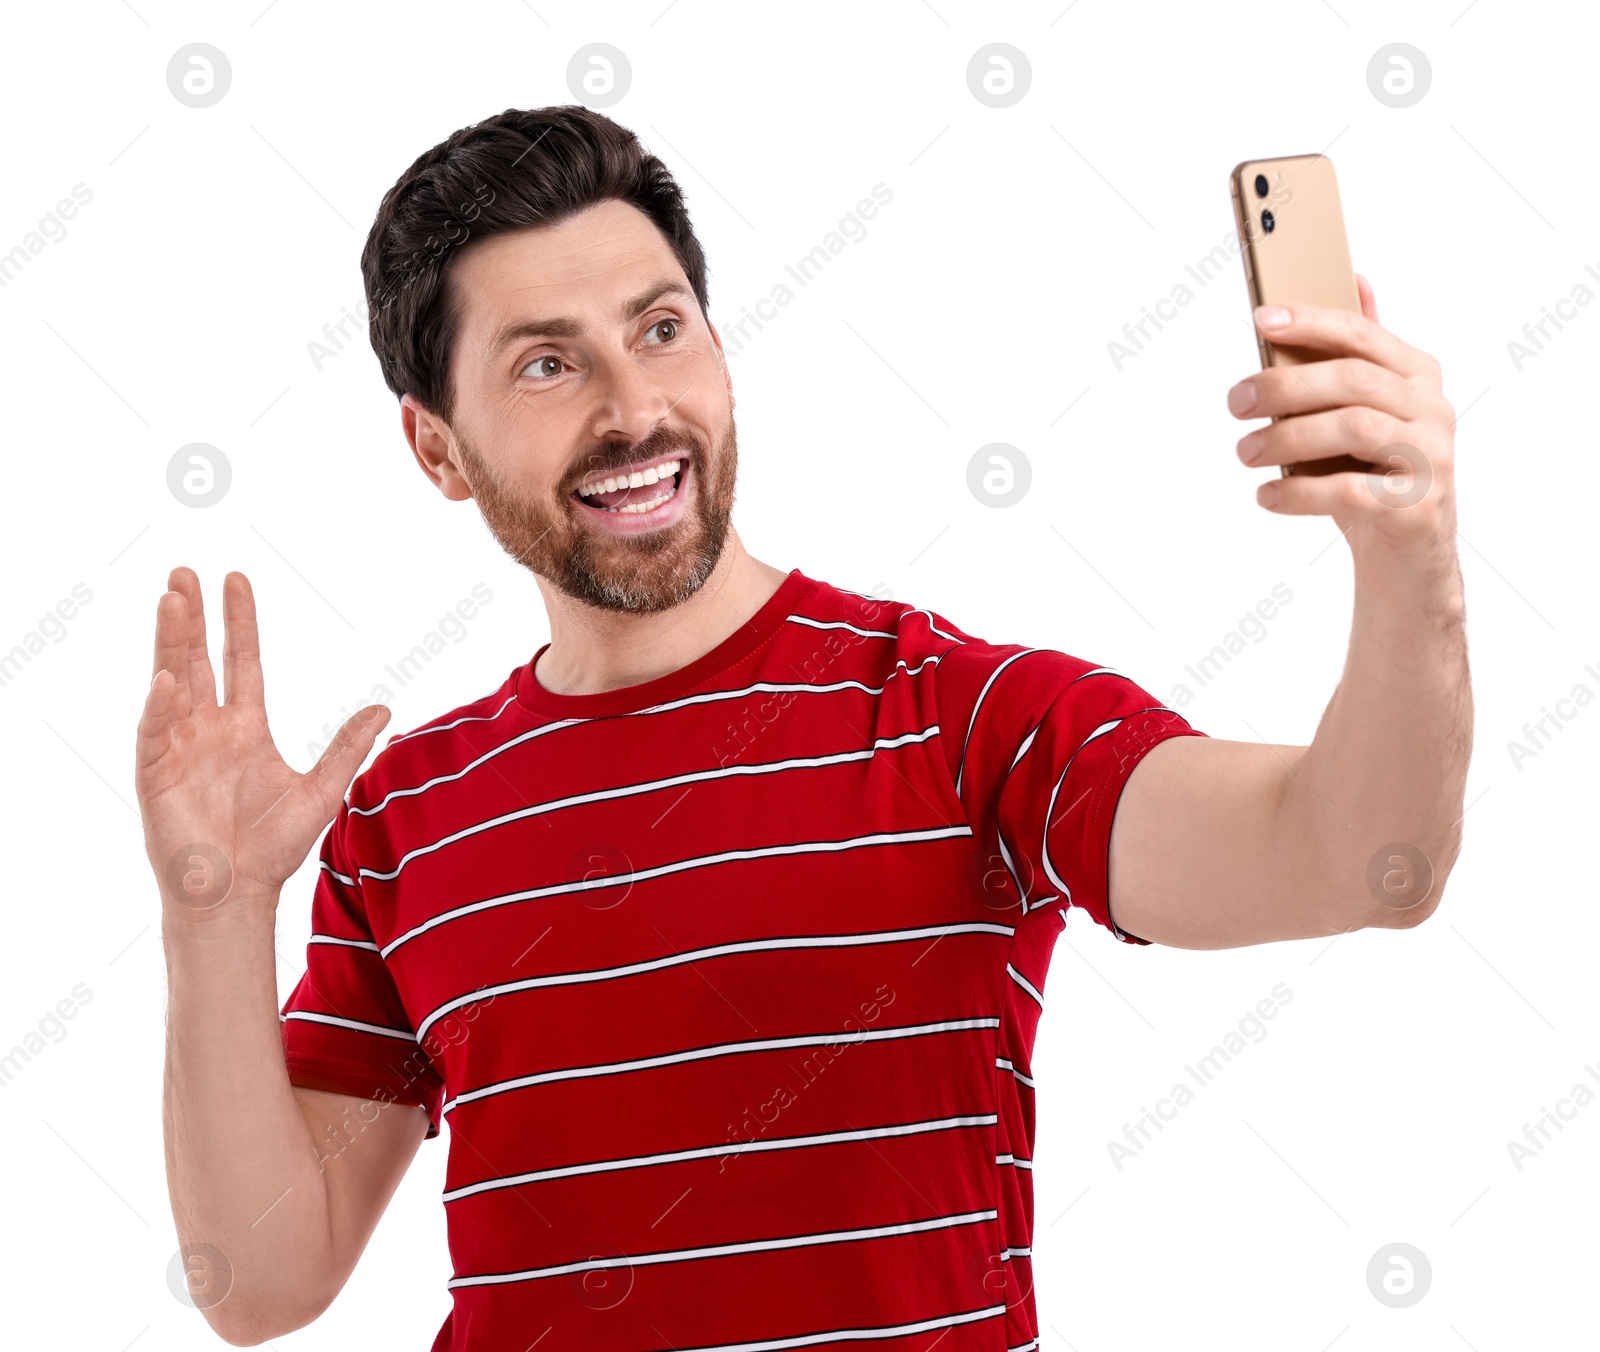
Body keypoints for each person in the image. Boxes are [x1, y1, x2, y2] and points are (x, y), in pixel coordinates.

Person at [137, 105, 1472, 1350]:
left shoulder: (958, 716)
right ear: (436, 449)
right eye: (549, 362)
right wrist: (212, 908)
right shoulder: (402, 812)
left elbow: (1356, 859)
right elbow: (259, 1286)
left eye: (660, 329)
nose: (633, 408)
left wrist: (1411, 556)